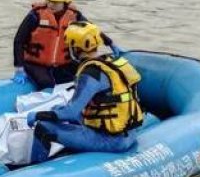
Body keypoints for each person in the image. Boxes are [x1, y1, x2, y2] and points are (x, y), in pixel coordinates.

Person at [27, 21, 143, 163]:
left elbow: (71, 112)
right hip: (129, 134)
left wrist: (38, 115)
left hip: (111, 141)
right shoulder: (109, 62)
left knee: (43, 128)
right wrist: (57, 112)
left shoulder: (90, 74)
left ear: (75, 48)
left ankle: (35, 173)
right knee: (61, 114)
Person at [12, 0, 116, 89]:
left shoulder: (74, 15)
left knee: (87, 72)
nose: (51, 5)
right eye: (49, 1)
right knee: (46, 83)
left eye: (56, 2)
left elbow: (91, 30)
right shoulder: (35, 16)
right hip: (36, 64)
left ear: (66, 3)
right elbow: (18, 41)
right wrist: (19, 67)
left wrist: (111, 43)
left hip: (62, 63)